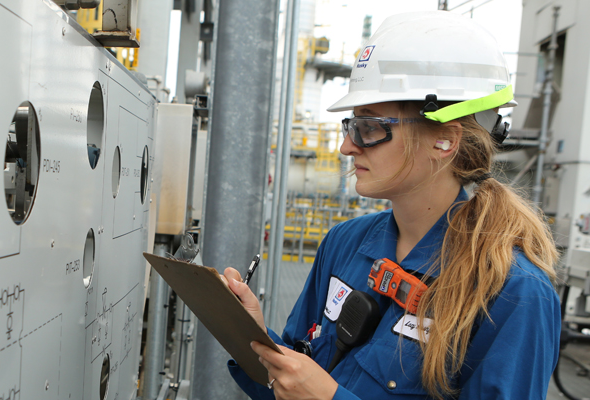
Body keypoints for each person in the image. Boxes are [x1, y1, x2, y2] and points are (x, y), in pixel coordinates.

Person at [222, 10, 560, 399]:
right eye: (351, 126)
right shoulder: (345, 243)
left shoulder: (512, 293)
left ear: (444, 141)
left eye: (370, 127)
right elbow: (290, 382)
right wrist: (250, 336)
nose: (347, 146)